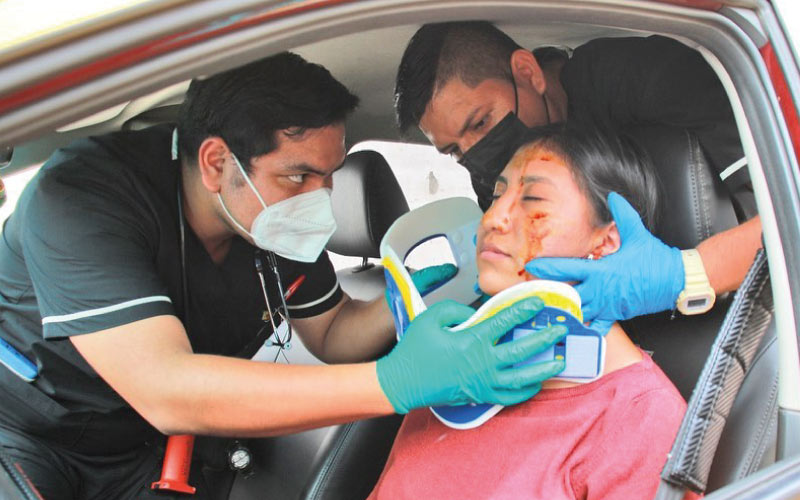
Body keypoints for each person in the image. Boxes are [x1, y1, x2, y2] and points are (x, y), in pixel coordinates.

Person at [0, 52, 568, 499]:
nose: (320, 200)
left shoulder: (272, 218)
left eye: (330, 175)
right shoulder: (82, 199)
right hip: (31, 433)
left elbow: (332, 333)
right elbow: (166, 388)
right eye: (299, 176)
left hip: (147, 444)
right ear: (217, 163)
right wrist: (397, 382)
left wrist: (399, 299)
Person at [368, 125, 700, 500]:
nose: (493, 218)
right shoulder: (453, 365)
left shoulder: (642, 419)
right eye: (496, 196)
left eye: (533, 200)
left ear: (606, 241)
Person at [394, 21, 763, 332]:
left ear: (527, 73)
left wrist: (682, 275)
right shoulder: (489, 170)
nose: (475, 154)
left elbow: (784, 214)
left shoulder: (636, 77)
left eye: (480, 122)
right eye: (454, 151)